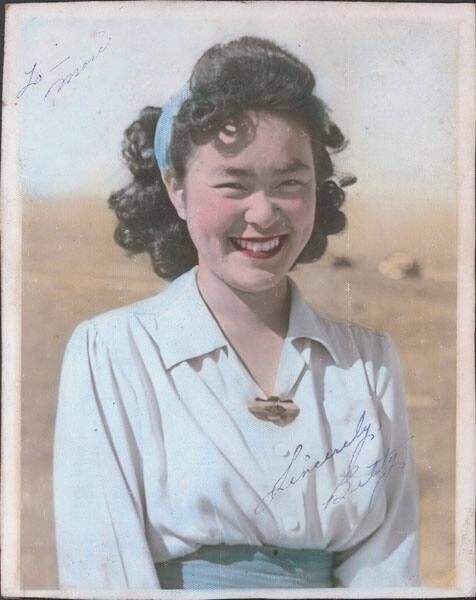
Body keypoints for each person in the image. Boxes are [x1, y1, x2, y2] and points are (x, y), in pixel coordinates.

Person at [53, 36, 419, 590]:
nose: (264, 213)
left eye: (290, 184)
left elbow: (390, 570)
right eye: (234, 185)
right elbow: (103, 574)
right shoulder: (111, 352)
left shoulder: (369, 362)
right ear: (176, 190)